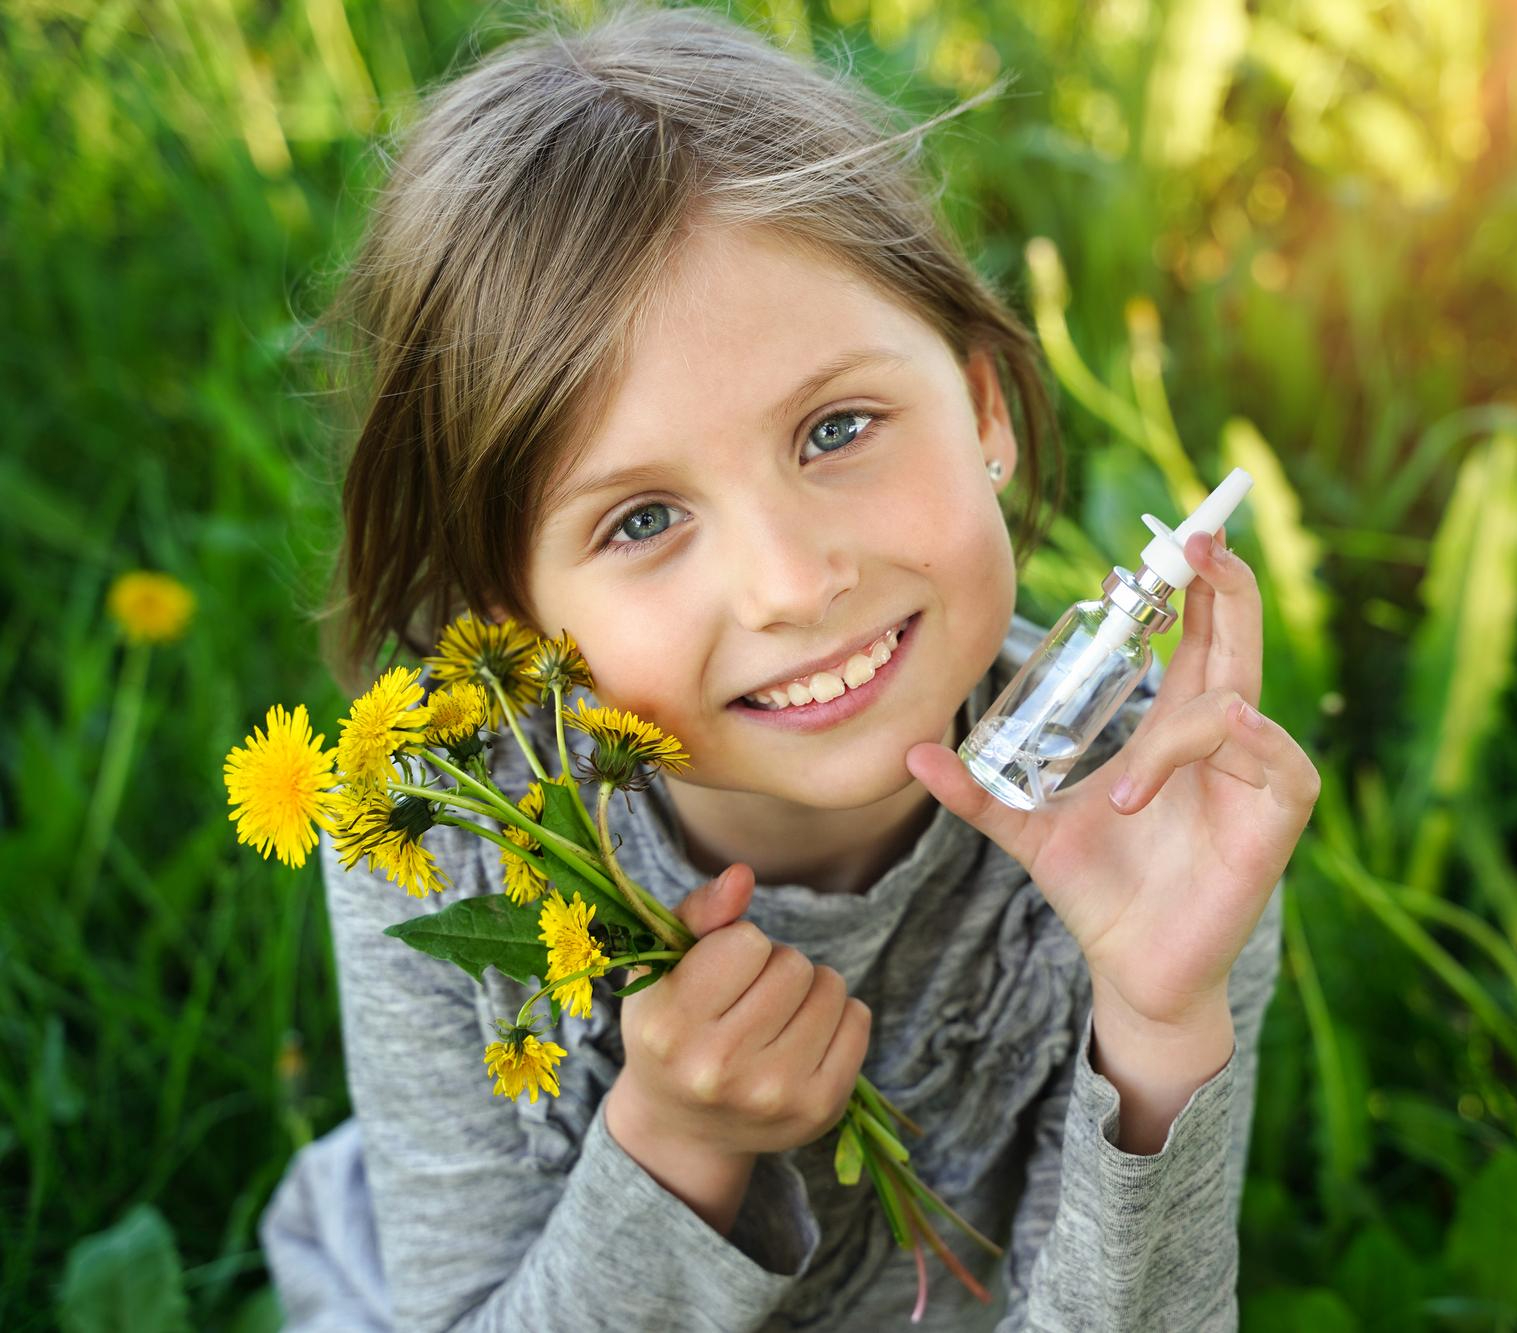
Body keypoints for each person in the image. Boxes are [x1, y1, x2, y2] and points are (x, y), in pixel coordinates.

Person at [256, 4, 1320, 1329]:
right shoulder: (455, 836)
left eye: (837, 427)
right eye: (641, 519)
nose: (790, 582)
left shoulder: (1156, 826)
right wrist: (674, 1150)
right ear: (512, 611)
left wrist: (1158, 1038)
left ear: (983, 405)